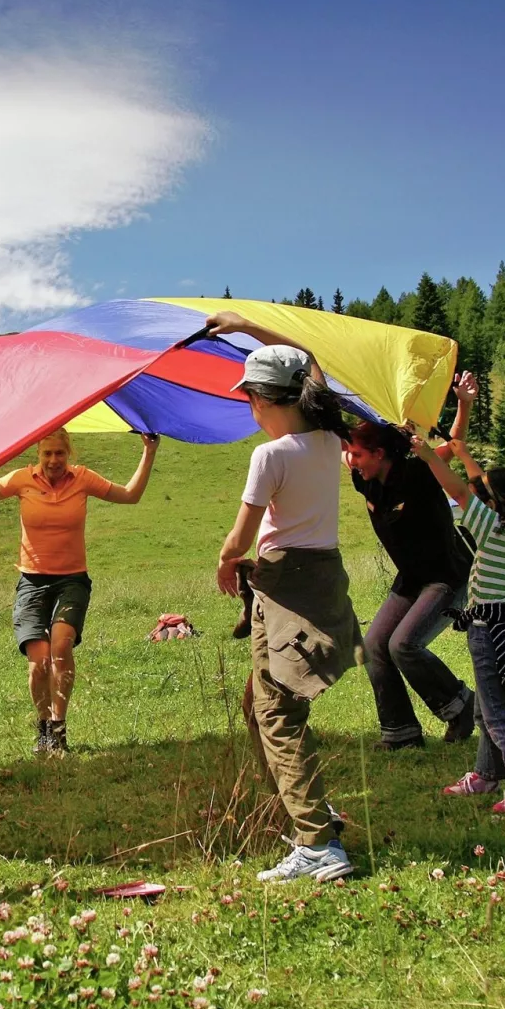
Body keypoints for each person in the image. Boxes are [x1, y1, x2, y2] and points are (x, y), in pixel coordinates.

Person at [210, 311, 362, 883]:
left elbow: (242, 535)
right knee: (262, 706)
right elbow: (308, 357)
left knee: (276, 712)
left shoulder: (269, 456)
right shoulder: (327, 438)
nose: (250, 409)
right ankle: (312, 816)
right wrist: (247, 325)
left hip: (283, 586)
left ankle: (318, 846)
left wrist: (227, 562)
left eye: (250, 398)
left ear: (261, 398)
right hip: (323, 576)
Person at [0, 427, 159, 755]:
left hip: (72, 580)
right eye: (47, 454)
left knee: (61, 648)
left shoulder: (82, 478)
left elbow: (130, 495)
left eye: (60, 453)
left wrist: (148, 452)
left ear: (69, 454)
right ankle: (43, 728)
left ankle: (59, 727)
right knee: (38, 663)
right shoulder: (22, 479)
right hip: (32, 581)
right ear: (38, 455)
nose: (54, 460)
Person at [409, 428, 505, 813]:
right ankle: (485, 775)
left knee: (497, 712)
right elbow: (478, 486)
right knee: (487, 707)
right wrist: (464, 455)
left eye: (485, 493)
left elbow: (461, 492)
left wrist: (431, 456)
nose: (477, 493)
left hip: (489, 631)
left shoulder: (491, 530)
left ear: (492, 503)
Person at [344, 372, 480, 751]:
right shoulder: (364, 478)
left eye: (357, 455)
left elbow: (456, 444)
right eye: (351, 455)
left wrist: (464, 402)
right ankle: (400, 733)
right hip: (412, 578)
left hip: (446, 575)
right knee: (374, 646)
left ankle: (461, 706)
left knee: (403, 645)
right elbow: (333, 431)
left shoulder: (419, 472)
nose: (351, 462)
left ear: (379, 455)